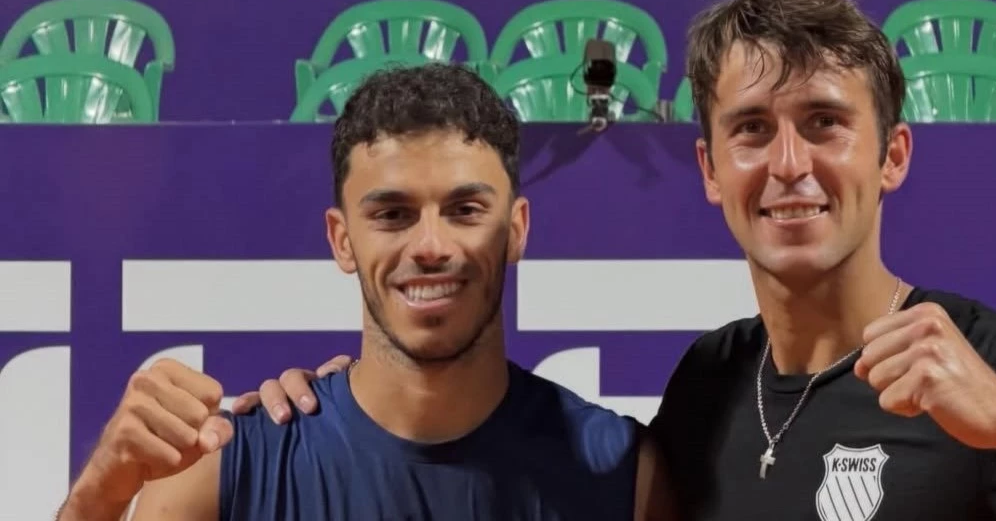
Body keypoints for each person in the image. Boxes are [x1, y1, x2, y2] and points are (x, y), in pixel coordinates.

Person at [236, 0, 996, 520]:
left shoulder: (992, 361)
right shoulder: (709, 379)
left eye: (824, 123)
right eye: (752, 129)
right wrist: (343, 397)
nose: (788, 163)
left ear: (891, 154)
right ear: (708, 166)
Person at [55, 64, 675, 520]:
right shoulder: (226, 471)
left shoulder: (623, 475)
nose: (430, 245)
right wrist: (99, 496)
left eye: (464, 209)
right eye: (392, 214)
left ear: (515, 230)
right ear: (342, 239)